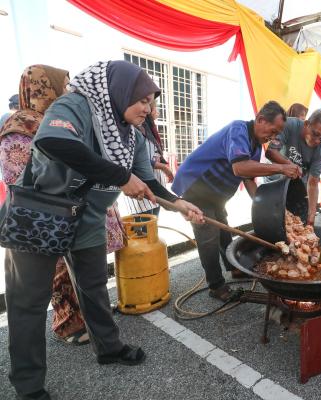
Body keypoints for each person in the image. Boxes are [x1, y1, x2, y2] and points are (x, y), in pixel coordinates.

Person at [2, 60, 204, 400]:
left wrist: (179, 203)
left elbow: (148, 181)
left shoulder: (130, 136)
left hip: (87, 216)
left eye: (151, 102)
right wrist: (121, 177)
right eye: (142, 100)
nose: (148, 108)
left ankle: (109, 348)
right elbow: (53, 141)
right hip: (40, 212)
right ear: (119, 92)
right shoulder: (77, 105)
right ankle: (28, 385)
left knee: (94, 287)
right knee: (29, 302)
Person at [0, 65, 94, 347]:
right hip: (37, 217)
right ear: (42, 88)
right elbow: (16, 175)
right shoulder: (21, 124)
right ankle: (67, 324)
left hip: (63, 210)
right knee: (52, 275)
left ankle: (86, 316)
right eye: (63, 86)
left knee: (75, 268)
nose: (68, 91)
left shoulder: (58, 121)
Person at [172, 101, 302, 301]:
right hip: (196, 186)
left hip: (215, 195)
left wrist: (264, 208)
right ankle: (216, 286)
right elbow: (240, 168)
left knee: (224, 229)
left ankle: (234, 268)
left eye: (277, 133)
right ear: (260, 119)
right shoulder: (238, 129)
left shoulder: (256, 146)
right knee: (208, 236)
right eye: (273, 131)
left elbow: (248, 178)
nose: (273, 137)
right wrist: (281, 168)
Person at [266, 109, 321, 225]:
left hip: (297, 192)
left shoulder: (320, 151)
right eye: (315, 134)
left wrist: (311, 215)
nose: (317, 140)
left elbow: (313, 183)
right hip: (275, 186)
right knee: (273, 223)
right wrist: (290, 165)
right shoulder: (289, 125)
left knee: (295, 225)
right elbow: (270, 152)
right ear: (307, 124)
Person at [124, 99, 174, 216]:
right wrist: (162, 166)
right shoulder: (131, 132)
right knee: (142, 220)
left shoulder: (146, 129)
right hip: (138, 185)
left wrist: (176, 202)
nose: (149, 110)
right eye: (155, 108)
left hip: (153, 182)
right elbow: (136, 161)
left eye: (149, 106)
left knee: (153, 217)